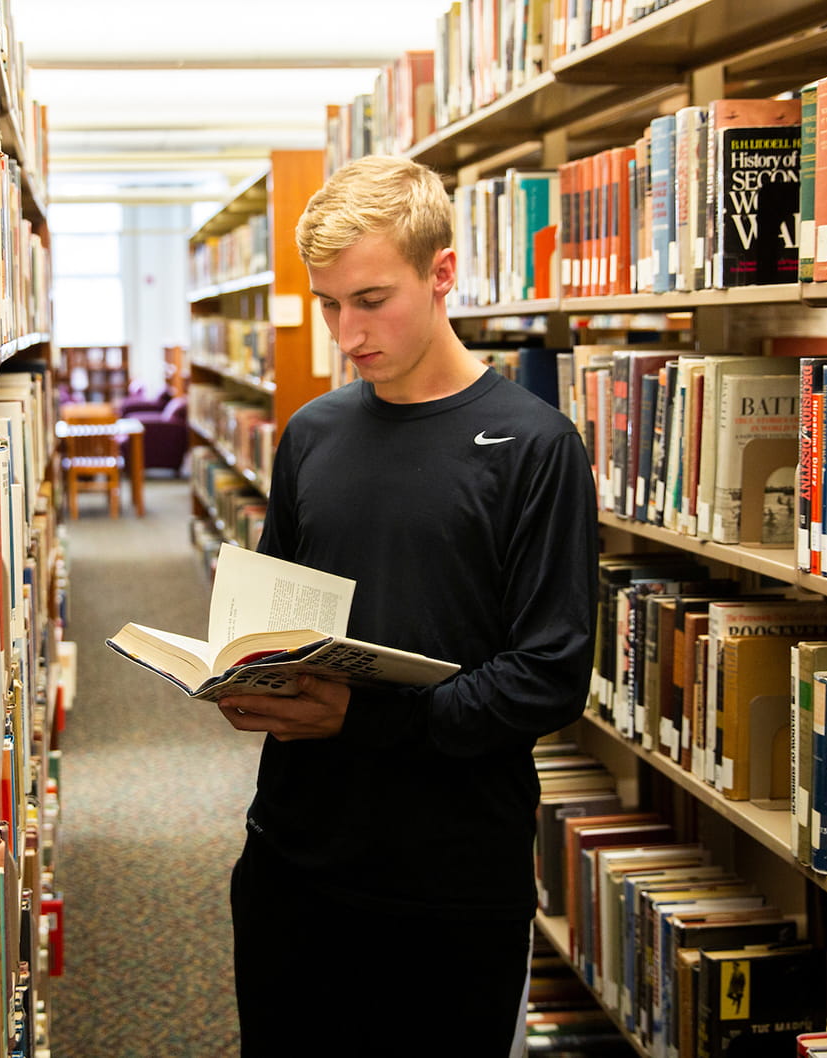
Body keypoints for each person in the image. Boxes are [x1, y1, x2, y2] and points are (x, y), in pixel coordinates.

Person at [215, 154, 599, 1056]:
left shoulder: (535, 447)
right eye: (329, 305)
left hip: (448, 882)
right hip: (291, 860)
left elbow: (547, 679)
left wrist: (361, 717)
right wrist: (237, 673)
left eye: (372, 299)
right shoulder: (312, 433)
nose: (349, 334)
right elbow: (276, 615)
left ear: (443, 273)